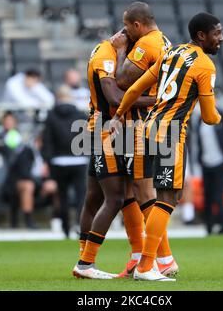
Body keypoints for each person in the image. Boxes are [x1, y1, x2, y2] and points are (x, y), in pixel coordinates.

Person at [110, 12, 223, 281]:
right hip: (171, 133)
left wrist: (118, 114)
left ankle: (152, 262)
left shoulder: (171, 54)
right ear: (201, 36)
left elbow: (135, 87)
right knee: (168, 199)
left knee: (154, 196)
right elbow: (209, 117)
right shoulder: (205, 66)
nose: (221, 38)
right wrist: (220, 116)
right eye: (217, 33)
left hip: (147, 127)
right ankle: (148, 266)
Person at [72, 31, 155, 279]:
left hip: (111, 129)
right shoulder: (106, 56)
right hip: (104, 131)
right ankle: (85, 263)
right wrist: (157, 100)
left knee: (98, 195)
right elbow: (115, 97)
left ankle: (135, 256)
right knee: (115, 197)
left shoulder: (108, 53)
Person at [110, 1, 177, 278]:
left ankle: (162, 259)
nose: (125, 32)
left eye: (127, 27)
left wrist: (120, 50)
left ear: (137, 25)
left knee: (144, 189)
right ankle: (144, 256)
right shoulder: (165, 41)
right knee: (138, 189)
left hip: (141, 124)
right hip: (160, 124)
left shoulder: (145, 44)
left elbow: (122, 81)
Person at [42, 85, 89, 237]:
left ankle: (66, 228)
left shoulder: (51, 116)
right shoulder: (80, 115)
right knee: (81, 196)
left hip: (58, 162)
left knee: (62, 196)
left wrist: (47, 161)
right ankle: (82, 227)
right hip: (79, 160)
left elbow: (47, 142)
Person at [2, 134, 58, 229]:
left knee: (54, 186)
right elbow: (24, 174)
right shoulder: (26, 151)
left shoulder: (46, 154)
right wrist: (41, 184)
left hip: (38, 184)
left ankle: (57, 219)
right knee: (28, 186)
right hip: (17, 184)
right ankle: (28, 220)